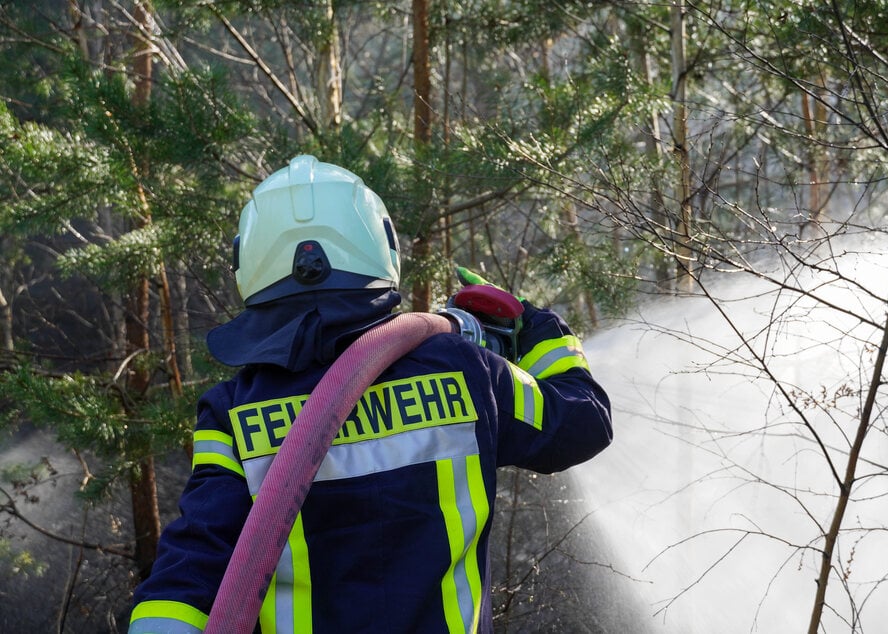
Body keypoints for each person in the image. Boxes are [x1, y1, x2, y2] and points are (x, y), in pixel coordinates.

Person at [127, 155, 612, 633]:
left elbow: (195, 563)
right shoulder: (466, 371)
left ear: (248, 264)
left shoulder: (232, 412)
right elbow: (584, 421)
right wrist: (537, 329)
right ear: (382, 245)